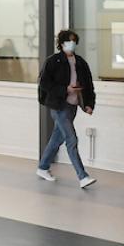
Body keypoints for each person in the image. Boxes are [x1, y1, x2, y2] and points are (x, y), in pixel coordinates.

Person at [36, 29, 97, 189]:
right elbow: (44, 83)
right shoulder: (53, 61)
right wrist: (65, 89)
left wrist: (89, 104)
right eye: (69, 41)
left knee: (58, 138)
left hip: (72, 106)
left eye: (74, 41)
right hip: (58, 106)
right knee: (71, 139)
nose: (72, 44)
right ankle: (82, 176)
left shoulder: (81, 62)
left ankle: (43, 167)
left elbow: (89, 86)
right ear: (62, 43)